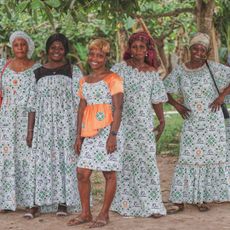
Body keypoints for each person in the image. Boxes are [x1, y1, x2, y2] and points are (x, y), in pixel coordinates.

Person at [164, 32, 230, 213]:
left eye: (202, 49)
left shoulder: (214, 68)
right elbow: (163, 89)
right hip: (191, 123)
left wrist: (221, 98)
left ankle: (201, 198)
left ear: (207, 52)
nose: (198, 52)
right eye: (195, 48)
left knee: (208, 159)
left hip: (212, 123)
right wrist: (177, 105)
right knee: (188, 158)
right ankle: (180, 201)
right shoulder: (180, 71)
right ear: (189, 49)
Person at [67, 38, 124, 228]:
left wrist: (113, 135)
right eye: (92, 54)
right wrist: (78, 136)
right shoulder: (84, 81)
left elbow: (118, 108)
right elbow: (81, 109)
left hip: (108, 130)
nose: (95, 58)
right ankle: (85, 213)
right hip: (89, 132)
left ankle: (104, 215)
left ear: (106, 57)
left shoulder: (113, 79)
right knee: (82, 173)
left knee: (109, 174)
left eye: (100, 55)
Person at [110, 31, 167, 217]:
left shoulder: (152, 73)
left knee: (147, 162)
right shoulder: (119, 69)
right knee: (125, 162)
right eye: (134, 47)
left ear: (147, 49)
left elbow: (156, 100)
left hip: (144, 125)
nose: (138, 50)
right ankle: (125, 204)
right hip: (123, 123)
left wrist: (162, 119)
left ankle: (151, 205)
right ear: (129, 49)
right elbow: (109, 95)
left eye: (141, 47)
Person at [26, 33, 82, 218]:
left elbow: (79, 102)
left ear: (65, 50)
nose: (56, 51)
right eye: (53, 47)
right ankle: (37, 203)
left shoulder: (73, 71)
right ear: (47, 49)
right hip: (43, 127)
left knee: (65, 160)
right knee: (41, 162)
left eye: (60, 48)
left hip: (66, 125)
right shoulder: (37, 72)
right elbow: (32, 104)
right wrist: (30, 131)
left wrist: (78, 131)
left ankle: (63, 203)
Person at [0, 31, 39, 212]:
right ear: (12, 47)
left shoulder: (36, 67)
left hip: (28, 119)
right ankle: (7, 201)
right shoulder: (3, 66)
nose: (20, 48)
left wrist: (32, 128)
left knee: (28, 158)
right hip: (6, 119)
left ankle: (30, 201)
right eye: (16, 45)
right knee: (7, 157)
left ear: (28, 46)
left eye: (23, 44)